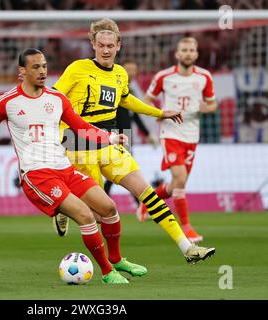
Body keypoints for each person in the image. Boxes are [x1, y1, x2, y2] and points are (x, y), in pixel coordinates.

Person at [0, 48, 148, 284]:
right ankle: (106, 272)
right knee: (85, 216)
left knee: (109, 208)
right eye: (35, 67)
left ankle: (117, 259)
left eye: (44, 66)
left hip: (64, 169)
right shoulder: (7, 102)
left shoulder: (57, 99)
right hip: (37, 174)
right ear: (22, 72)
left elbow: (80, 126)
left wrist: (109, 138)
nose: (42, 71)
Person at [52, 18, 215, 264]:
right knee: (99, 213)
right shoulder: (77, 69)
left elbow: (127, 100)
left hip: (111, 143)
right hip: (79, 143)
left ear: (119, 45)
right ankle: (63, 207)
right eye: (101, 45)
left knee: (146, 193)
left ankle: (187, 247)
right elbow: (54, 98)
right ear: (93, 45)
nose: (105, 50)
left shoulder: (120, 74)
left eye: (110, 45)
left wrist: (160, 112)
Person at [139, 37, 218, 242]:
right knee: (181, 179)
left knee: (176, 185)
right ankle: (186, 229)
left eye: (191, 50)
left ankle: (147, 202)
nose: (188, 53)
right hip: (170, 133)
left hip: (192, 135)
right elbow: (146, 100)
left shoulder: (204, 77)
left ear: (196, 54)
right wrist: (159, 113)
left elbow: (212, 104)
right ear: (177, 54)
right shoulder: (164, 77)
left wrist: (204, 108)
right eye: (184, 50)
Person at [103, 59, 158, 206]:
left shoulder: (129, 91)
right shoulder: (111, 88)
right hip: (113, 136)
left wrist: (147, 134)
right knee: (125, 170)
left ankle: (102, 200)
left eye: (133, 69)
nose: (130, 72)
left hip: (125, 136)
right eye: (127, 69)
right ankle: (140, 204)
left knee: (121, 170)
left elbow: (134, 116)